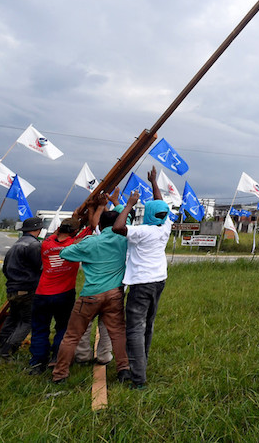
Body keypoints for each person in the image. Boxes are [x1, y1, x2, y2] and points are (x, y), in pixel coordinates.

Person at [50, 191, 138, 385]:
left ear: (100, 225)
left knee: (72, 336)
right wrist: (120, 202)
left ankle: (60, 375)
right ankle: (123, 370)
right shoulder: (124, 238)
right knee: (117, 334)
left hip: (90, 295)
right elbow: (126, 218)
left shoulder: (91, 242)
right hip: (115, 294)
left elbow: (65, 252)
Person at [114, 166, 172, 389]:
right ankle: (142, 362)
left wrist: (129, 203)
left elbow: (119, 227)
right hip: (159, 281)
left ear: (147, 214)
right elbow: (160, 205)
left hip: (141, 284)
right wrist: (154, 183)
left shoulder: (142, 232)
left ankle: (138, 378)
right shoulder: (164, 228)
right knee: (148, 324)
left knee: (135, 328)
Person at [27, 210, 94, 374]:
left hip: (42, 294)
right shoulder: (75, 245)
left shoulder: (47, 244)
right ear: (74, 232)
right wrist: (89, 212)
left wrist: (72, 218)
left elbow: (58, 233)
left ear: (59, 228)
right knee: (63, 328)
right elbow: (92, 226)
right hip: (64, 294)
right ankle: (57, 358)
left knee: (40, 328)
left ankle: (37, 362)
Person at [0, 217, 44, 363]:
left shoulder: (16, 245)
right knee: (27, 321)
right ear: (38, 229)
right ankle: (6, 353)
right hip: (27, 289)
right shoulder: (34, 246)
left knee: (13, 318)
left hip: (13, 289)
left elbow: (5, 269)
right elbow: (40, 267)